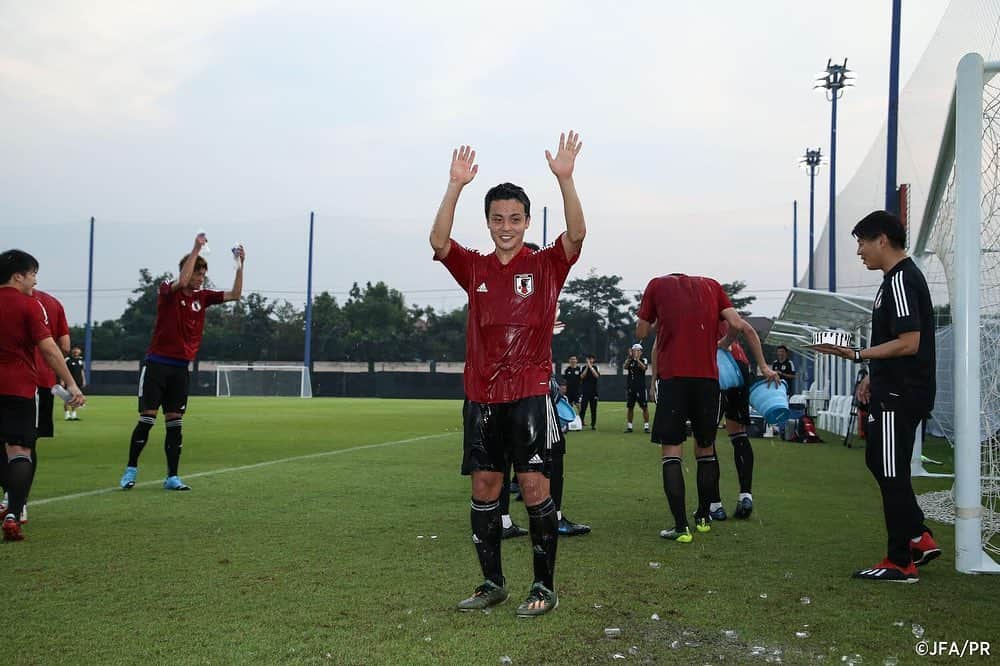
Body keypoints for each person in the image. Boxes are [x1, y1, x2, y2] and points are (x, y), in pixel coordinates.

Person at [431, 132, 585, 617]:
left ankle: (543, 586)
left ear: (525, 221)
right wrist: (455, 186)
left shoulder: (544, 266)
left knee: (536, 486)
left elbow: (576, 235)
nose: (506, 226)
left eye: (514, 218)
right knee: (484, 489)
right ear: (489, 222)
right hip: (481, 395)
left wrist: (566, 179)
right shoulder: (473, 267)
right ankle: (491, 582)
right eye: (498, 218)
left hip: (530, 394)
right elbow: (438, 242)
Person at [813, 210, 940, 582]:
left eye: (862, 242)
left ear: (882, 239)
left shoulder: (901, 280)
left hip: (900, 396)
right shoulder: (892, 281)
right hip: (894, 390)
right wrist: (870, 374)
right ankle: (918, 534)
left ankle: (901, 560)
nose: (859, 252)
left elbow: (909, 342)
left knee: (890, 469)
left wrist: (856, 355)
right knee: (879, 461)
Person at [637, 273, 778, 544]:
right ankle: (703, 516)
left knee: (671, 453)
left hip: (674, 378)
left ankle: (681, 527)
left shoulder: (657, 285)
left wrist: (656, 319)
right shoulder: (712, 286)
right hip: (709, 381)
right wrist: (725, 345)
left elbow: (642, 333)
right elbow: (739, 325)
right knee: (706, 449)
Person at [118, 234, 245, 492]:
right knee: (147, 419)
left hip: (179, 368)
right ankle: (131, 469)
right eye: (197, 273)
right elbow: (183, 280)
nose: (200, 279)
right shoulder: (168, 290)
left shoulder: (204, 297)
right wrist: (196, 249)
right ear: (186, 271)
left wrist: (241, 265)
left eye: (202, 274)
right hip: (157, 365)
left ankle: (172, 476)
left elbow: (236, 294)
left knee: (175, 422)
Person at [0, 250, 85, 541]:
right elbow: (51, 348)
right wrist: (72, 385)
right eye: (33, 273)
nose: (35, 280)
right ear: (18, 276)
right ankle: (14, 512)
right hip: (19, 387)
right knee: (21, 451)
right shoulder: (30, 306)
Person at [713, 320, 760, 520]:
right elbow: (746, 328)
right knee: (738, 433)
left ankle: (715, 505)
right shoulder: (721, 302)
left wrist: (722, 342)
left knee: (705, 439)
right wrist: (764, 365)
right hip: (740, 364)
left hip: (717, 365)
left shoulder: (695, 302)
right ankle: (745, 495)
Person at [623, 343, 650, 433]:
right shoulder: (630, 360)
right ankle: (629, 426)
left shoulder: (643, 360)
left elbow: (644, 368)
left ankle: (646, 426)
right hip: (631, 387)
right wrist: (629, 358)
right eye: (634, 350)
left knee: (644, 407)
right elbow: (625, 367)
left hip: (641, 387)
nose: (636, 352)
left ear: (641, 352)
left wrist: (637, 360)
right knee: (630, 407)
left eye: (638, 351)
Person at [64, 346, 86, 421]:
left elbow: (82, 371)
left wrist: (84, 380)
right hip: (69, 382)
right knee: (67, 398)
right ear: (72, 350)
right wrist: (62, 380)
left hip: (78, 382)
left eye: (78, 349)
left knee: (75, 398)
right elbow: (63, 370)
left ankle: (74, 415)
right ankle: (67, 415)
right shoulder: (68, 360)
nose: (77, 351)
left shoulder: (80, 360)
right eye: (75, 349)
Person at [578, 354, 600, 430]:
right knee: (583, 408)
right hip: (585, 392)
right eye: (589, 359)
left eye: (591, 359)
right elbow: (582, 376)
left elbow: (596, 376)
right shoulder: (583, 368)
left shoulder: (595, 367)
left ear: (593, 360)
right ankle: (580, 423)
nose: (590, 360)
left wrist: (590, 367)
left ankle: (593, 425)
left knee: (593, 409)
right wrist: (587, 367)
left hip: (594, 392)